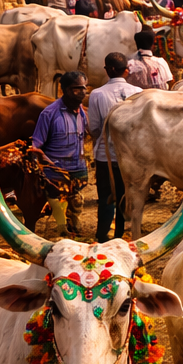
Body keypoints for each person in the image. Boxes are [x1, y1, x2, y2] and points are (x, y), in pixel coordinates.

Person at [88, 53, 141, 241]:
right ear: (126, 70)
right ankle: (120, 233)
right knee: (126, 195)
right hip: (131, 156)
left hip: (106, 156)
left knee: (106, 196)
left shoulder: (97, 94)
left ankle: (103, 235)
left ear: (107, 70)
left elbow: (94, 128)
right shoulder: (138, 92)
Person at [31, 70, 89, 235]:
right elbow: (36, 143)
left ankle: (73, 224)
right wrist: (42, 160)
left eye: (84, 88)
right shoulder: (49, 114)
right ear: (64, 90)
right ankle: (62, 229)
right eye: (77, 89)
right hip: (55, 169)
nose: (82, 92)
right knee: (57, 202)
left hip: (78, 167)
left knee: (77, 200)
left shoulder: (82, 112)